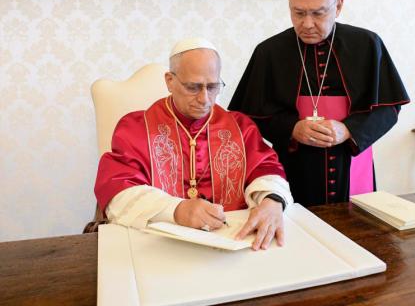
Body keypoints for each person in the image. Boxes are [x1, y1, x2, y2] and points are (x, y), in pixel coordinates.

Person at [228, 0, 409, 206]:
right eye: (298, 13)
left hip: (352, 163)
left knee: (355, 232)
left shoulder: (367, 45)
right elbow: (248, 116)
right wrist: (292, 129)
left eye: (318, 13)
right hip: (294, 166)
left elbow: (389, 108)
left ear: (338, 6)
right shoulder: (270, 52)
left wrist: (348, 130)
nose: (307, 24)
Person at [94, 38, 293, 250]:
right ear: (170, 81)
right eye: (193, 87)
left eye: (213, 87)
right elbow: (117, 192)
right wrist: (177, 209)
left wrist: (272, 201)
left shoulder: (240, 126)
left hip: (230, 242)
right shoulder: (135, 128)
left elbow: (265, 168)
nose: (205, 99)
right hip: (159, 246)